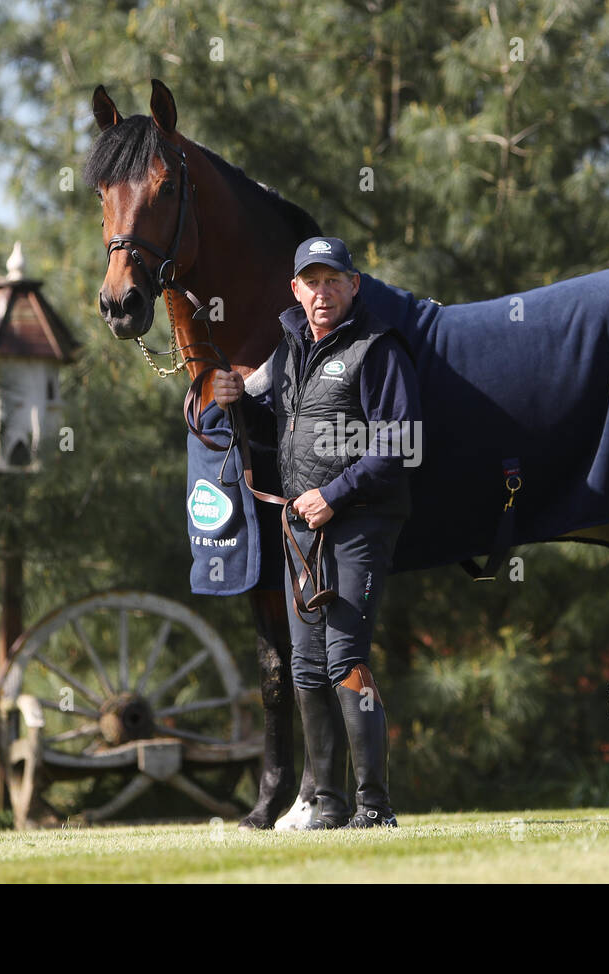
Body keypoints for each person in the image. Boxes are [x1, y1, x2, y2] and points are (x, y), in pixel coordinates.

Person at [213, 236, 421, 828]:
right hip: (300, 527)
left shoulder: (376, 347)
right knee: (304, 666)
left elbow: (400, 444)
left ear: (355, 286)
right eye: (313, 281)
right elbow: (277, 427)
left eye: (335, 280)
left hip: (360, 521)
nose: (323, 292)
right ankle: (326, 804)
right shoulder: (291, 350)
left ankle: (374, 808)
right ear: (296, 290)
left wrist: (334, 495)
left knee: (344, 657)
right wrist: (232, 398)